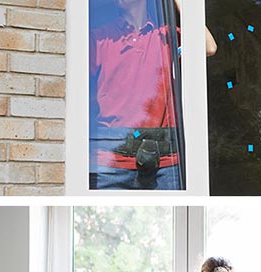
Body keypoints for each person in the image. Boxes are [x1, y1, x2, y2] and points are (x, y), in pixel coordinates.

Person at [89, 0, 217, 190]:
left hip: (164, 165)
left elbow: (209, 47)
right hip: (109, 164)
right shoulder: (98, 39)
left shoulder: (167, 37)